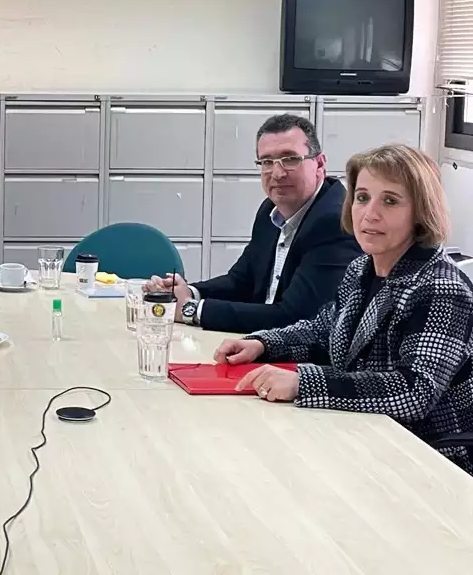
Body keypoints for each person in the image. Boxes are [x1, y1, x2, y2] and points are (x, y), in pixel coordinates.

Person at [215, 144, 473, 475]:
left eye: (390, 201)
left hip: (428, 460)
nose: (370, 214)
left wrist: (303, 383)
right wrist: (262, 343)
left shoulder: (441, 289)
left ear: (421, 212)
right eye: (362, 197)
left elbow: (413, 390)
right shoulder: (362, 269)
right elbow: (325, 331)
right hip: (361, 436)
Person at [144, 114, 361, 333]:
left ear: (320, 164)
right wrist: (188, 293)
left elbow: (295, 318)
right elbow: (241, 281)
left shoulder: (335, 221)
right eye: (267, 162)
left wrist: (192, 310)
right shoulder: (270, 211)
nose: (277, 173)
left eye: (290, 159)